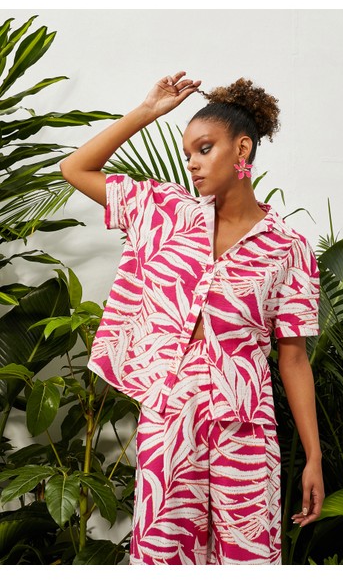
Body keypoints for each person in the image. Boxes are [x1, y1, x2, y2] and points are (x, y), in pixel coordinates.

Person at [60, 71, 324, 565]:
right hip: (170, 408)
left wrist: (314, 457)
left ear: (242, 148)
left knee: (247, 553)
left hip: (245, 420)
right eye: (187, 154)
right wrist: (147, 112)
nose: (192, 164)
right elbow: (75, 168)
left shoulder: (287, 247)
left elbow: (293, 358)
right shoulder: (165, 211)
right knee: (165, 553)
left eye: (204, 149)